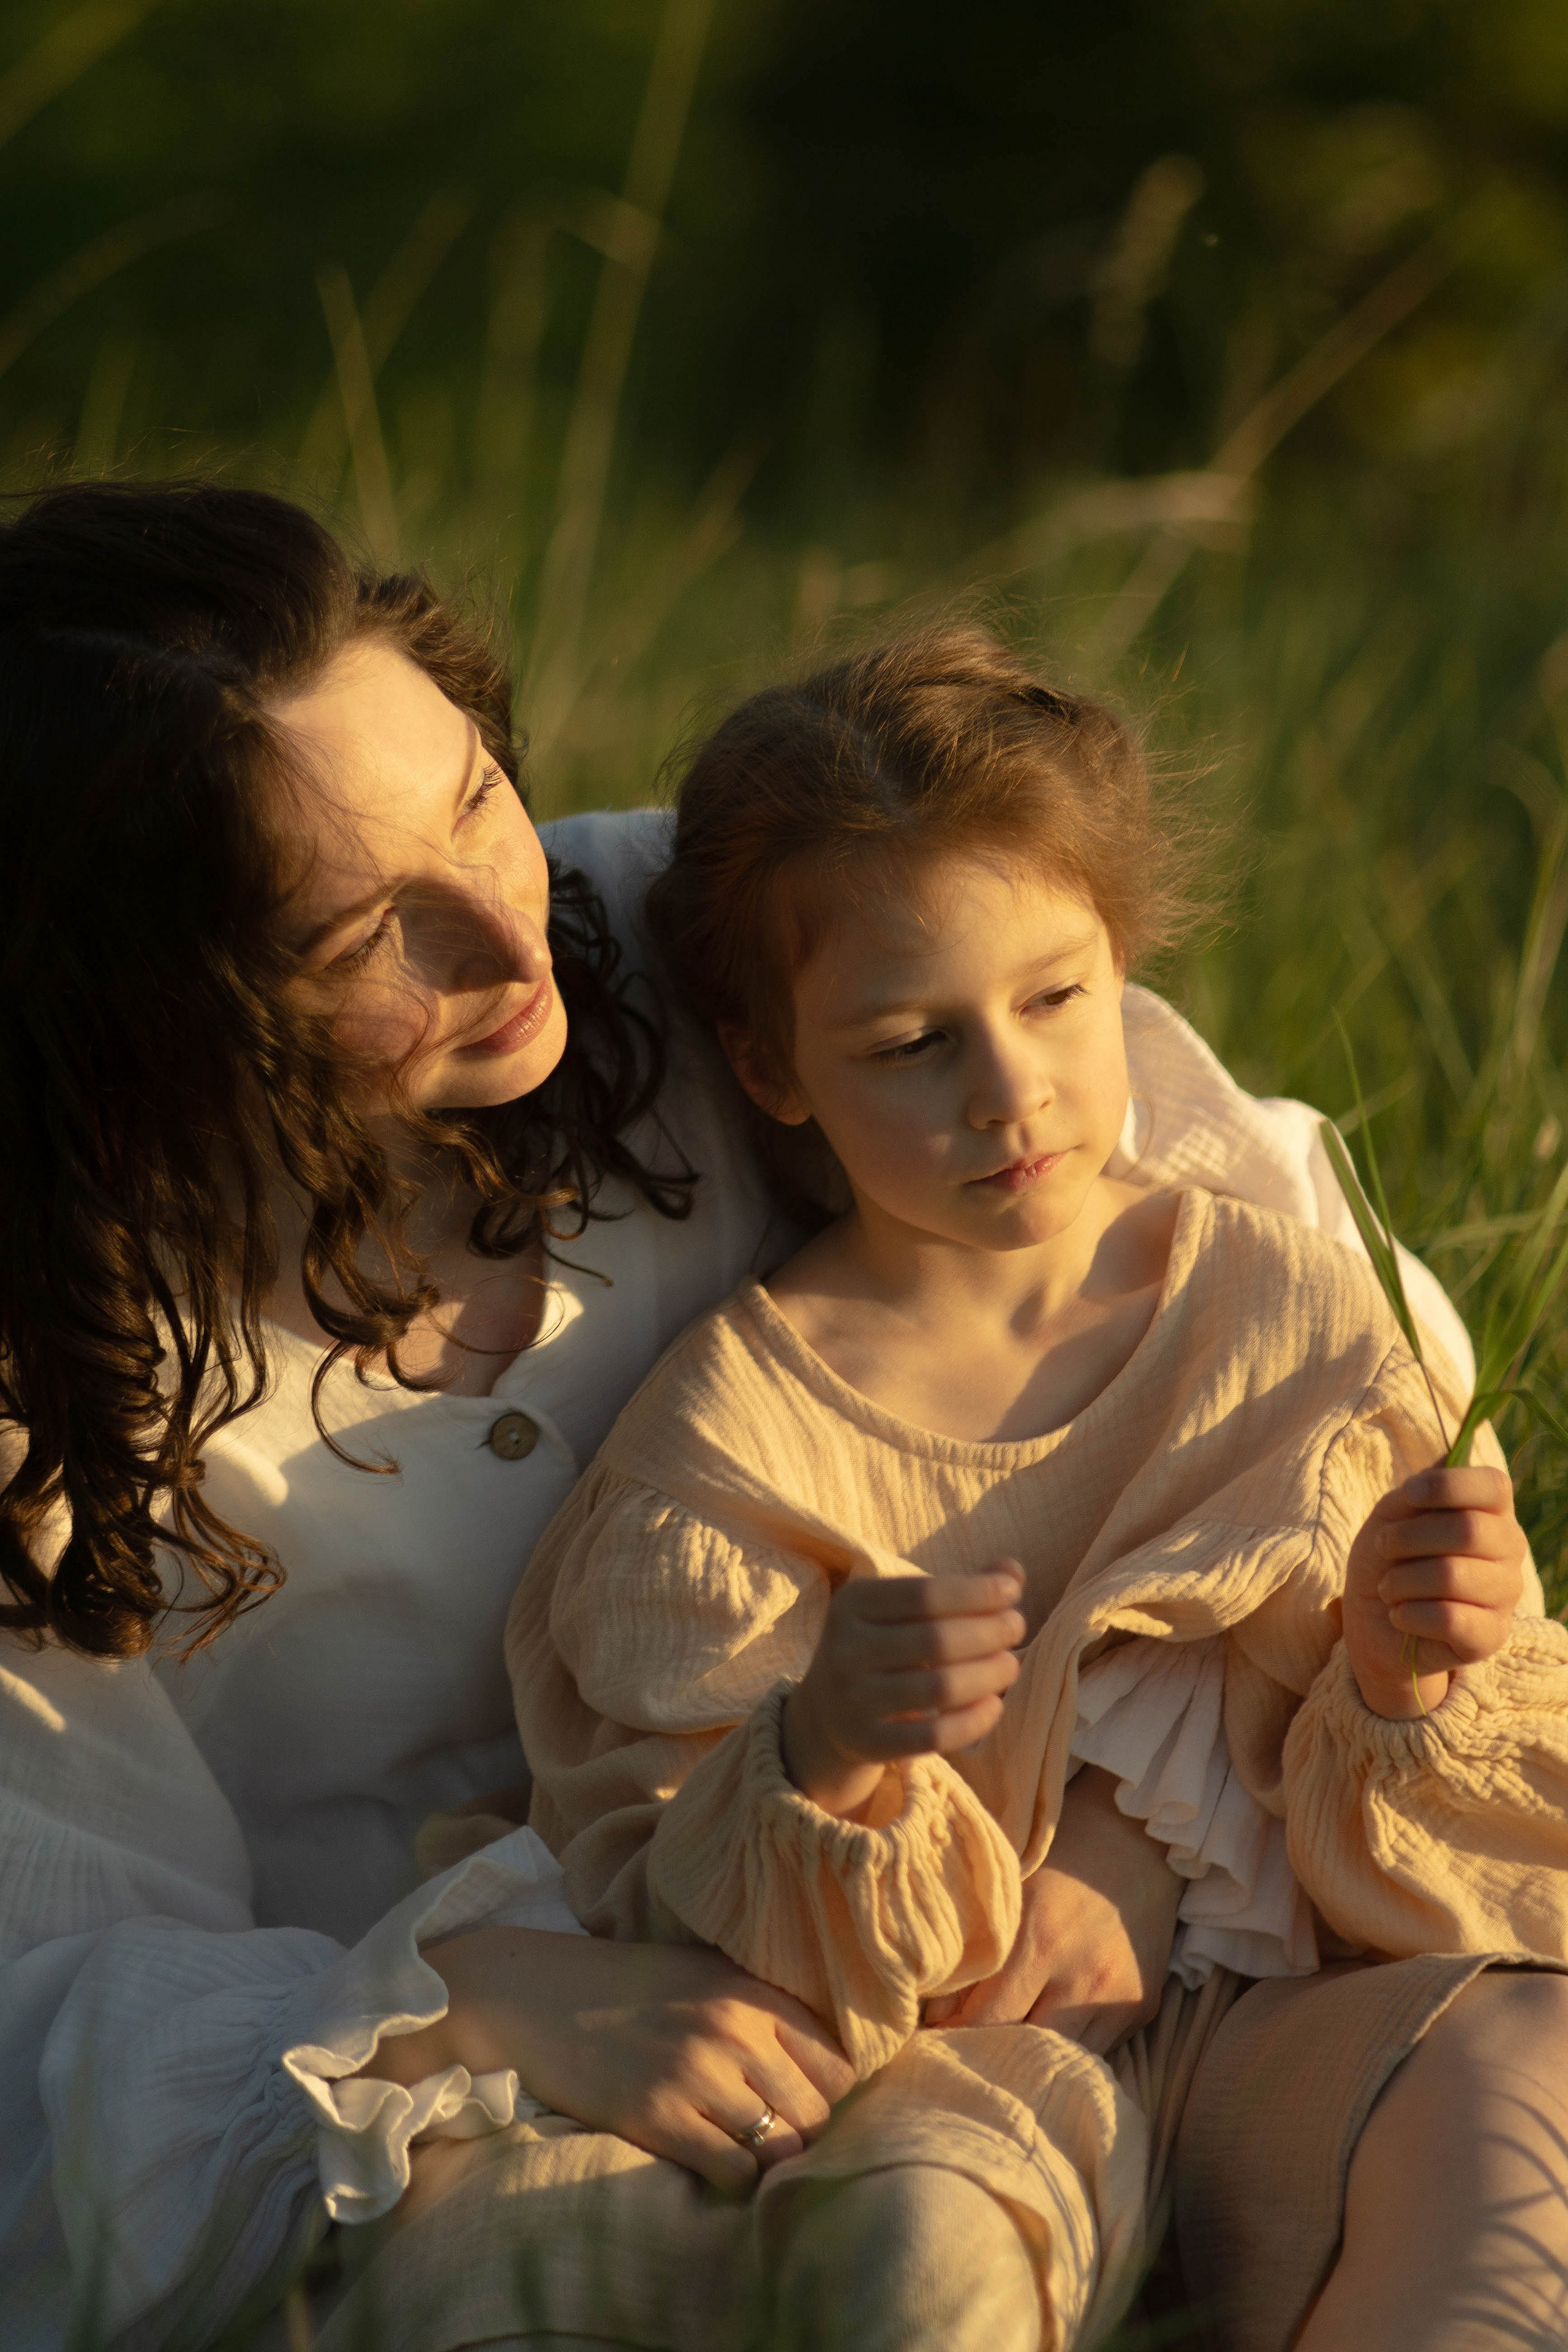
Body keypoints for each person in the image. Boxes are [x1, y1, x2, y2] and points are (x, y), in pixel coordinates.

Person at [0, 483, 1558, 2352]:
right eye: (362, 940)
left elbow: (1229, 1331)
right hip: (490, 2125)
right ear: (148, 1016)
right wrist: (478, 2005)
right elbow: (46, 1999)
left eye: (477, 793)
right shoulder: (51, 1377)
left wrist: (1141, 1832)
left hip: (1030, 1969)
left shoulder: (669, 949)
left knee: (1517, 2092)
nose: (507, 937)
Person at [494, 628, 1568, 2352]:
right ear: (773, 1071)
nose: (1010, 1093)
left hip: (1269, 2023)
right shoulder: (733, 1446)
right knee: (920, 2260)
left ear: (1121, 966)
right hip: (943, 2065)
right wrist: (822, 1753)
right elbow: (666, 1895)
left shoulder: (1285, 1314)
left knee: (1529, 2062)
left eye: (1056, 1000)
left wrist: (1407, 1673)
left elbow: (1437, 1851)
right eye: (911, 1043)